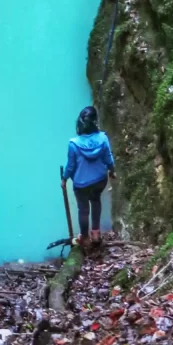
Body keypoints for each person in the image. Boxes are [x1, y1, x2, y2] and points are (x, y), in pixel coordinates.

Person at [62, 106, 114, 249]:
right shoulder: (103, 138)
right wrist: (112, 170)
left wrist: (64, 178)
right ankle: (96, 234)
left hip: (81, 184)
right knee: (96, 201)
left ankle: (84, 237)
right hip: (99, 180)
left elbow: (71, 166)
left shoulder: (73, 144)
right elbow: (108, 158)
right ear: (95, 122)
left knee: (83, 210)